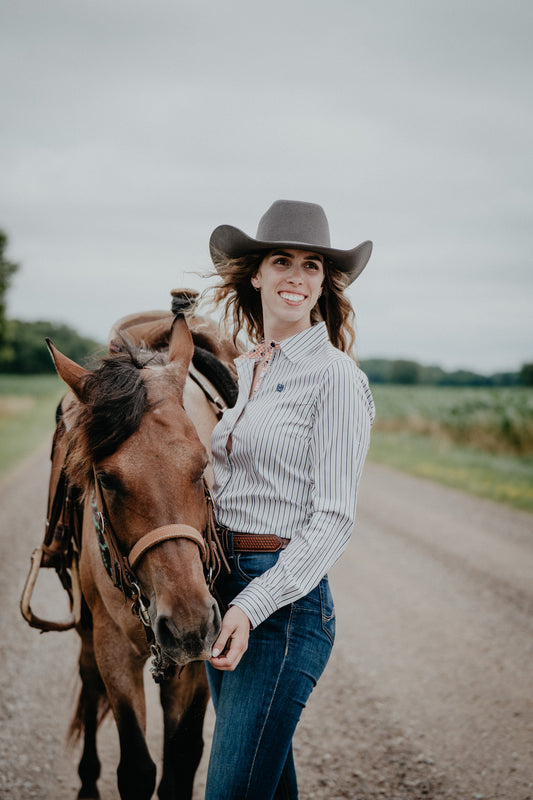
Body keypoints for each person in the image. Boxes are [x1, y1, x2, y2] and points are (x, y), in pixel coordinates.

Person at [204, 199, 375, 800]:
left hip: (280, 609)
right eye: (282, 261)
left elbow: (333, 520)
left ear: (323, 283)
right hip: (221, 588)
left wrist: (251, 607)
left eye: (311, 265)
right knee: (265, 785)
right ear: (256, 274)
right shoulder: (245, 370)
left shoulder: (336, 377)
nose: (296, 276)